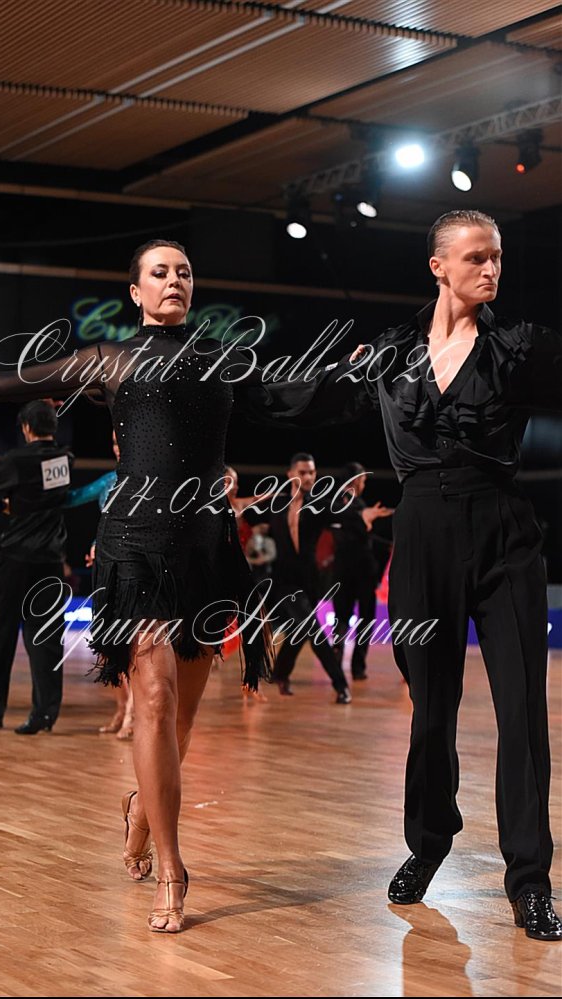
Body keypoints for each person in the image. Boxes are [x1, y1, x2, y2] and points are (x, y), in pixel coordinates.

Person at [0, 239, 352, 933]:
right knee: (155, 698)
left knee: (185, 716)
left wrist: (366, 378)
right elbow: (6, 382)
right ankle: (172, 868)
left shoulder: (221, 359)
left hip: (205, 550)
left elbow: (294, 399)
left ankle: (142, 810)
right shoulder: (109, 360)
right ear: (136, 292)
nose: (174, 281)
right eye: (160, 272)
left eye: (184, 272)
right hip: (134, 544)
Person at [288, 210, 561, 939]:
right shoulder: (390, 354)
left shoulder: (520, 348)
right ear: (438, 266)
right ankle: (430, 842)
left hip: (505, 532)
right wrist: (213, 392)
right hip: (422, 531)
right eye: (475, 258)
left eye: (496, 257)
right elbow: (310, 400)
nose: (491, 269)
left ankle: (530, 880)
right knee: (431, 708)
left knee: (522, 712)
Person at [0, 400, 73, 734]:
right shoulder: (65, 460)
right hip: (49, 561)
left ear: (26, 428)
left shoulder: (16, 460)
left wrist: (8, 506)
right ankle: (44, 714)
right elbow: (54, 496)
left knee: (3, 633)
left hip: (15, 557)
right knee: (47, 637)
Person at [65, 431, 135, 738]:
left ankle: (133, 712)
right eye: (115, 443)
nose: (119, 449)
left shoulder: (148, 482)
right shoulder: (109, 481)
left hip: (135, 569)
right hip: (106, 568)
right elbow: (72, 498)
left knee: (133, 644)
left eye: (124, 442)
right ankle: (121, 708)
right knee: (108, 645)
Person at [269, 453, 352, 703]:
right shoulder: (276, 503)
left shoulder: (319, 505)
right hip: (284, 582)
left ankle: (280, 673)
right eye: (303, 472)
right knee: (312, 629)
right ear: (291, 474)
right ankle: (340, 685)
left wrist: (362, 514)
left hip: (310, 582)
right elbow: (245, 510)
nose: (308, 477)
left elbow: (345, 515)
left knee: (300, 629)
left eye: (312, 472)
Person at [330, 462, 392, 680]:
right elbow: (360, 530)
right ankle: (356, 667)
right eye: (363, 480)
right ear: (356, 480)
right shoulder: (349, 504)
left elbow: (363, 534)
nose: (364, 484)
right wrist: (366, 516)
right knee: (364, 618)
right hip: (359, 570)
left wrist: (386, 544)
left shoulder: (341, 503)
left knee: (343, 617)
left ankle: (340, 663)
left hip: (344, 569)